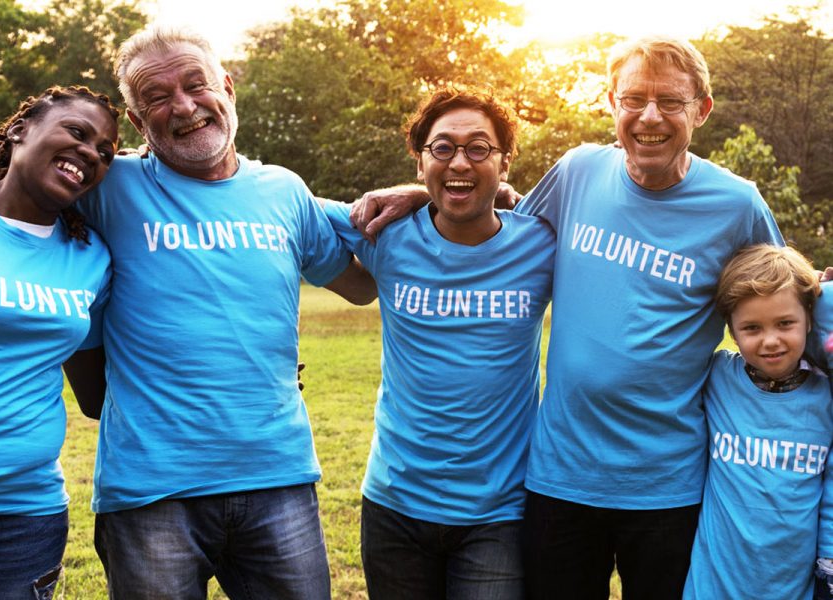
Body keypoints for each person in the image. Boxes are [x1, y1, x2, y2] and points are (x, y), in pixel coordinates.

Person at [350, 36, 784, 598]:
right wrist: (423, 189)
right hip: (558, 479)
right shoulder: (578, 171)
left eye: (670, 102)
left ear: (700, 110)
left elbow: (780, 301)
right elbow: (501, 219)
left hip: (667, 486)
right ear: (611, 103)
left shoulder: (737, 204)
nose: (649, 116)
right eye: (634, 99)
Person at [62, 26, 375, 600]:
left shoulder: (285, 191)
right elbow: (16, 188)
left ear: (227, 89)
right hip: (150, 489)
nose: (182, 106)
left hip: (276, 476)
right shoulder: (110, 187)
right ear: (136, 123)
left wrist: (431, 194)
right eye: (155, 97)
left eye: (195, 84)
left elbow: (360, 285)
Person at [323, 86, 554, 598]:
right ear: (420, 158)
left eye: (479, 148)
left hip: (499, 513)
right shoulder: (383, 232)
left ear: (505, 160)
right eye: (443, 148)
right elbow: (281, 205)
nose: (461, 162)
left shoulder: (542, 244)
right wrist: (151, 161)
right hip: (395, 506)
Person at [0, 86, 118, 599]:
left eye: (104, 152)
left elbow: (97, 396)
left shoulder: (90, 259)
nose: (90, 153)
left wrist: (242, 372)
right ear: (18, 130)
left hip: (22, 516)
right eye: (76, 133)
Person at [681, 244, 831, 599]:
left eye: (785, 323)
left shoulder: (826, 397)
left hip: (793, 589)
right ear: (731, 330)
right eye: (751, 328)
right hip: (711, 588)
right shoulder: (716, 377)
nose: (770, 341)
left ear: (809, 319)